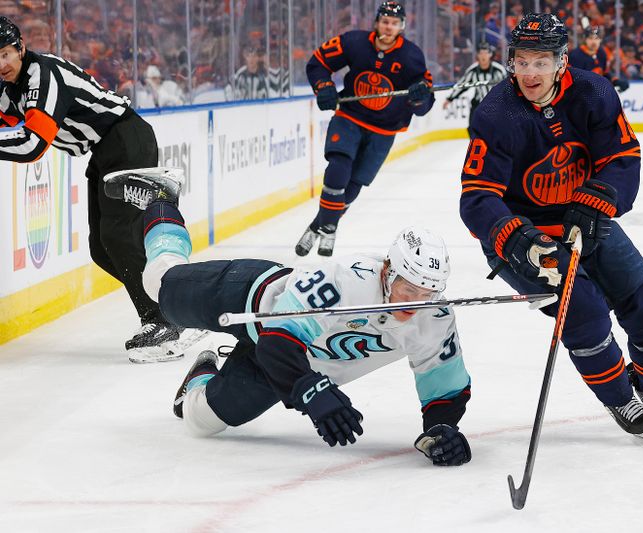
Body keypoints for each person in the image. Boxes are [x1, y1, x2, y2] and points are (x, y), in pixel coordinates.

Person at [103, 168, 472, 465]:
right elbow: (278, 340)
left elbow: (444, 386)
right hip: (251, 298)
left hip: (283, 366)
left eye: (429, 293)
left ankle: (203, 369)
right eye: (410, 288)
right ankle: (162, 197)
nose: (416, 301)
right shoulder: (348, 281)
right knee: (158, 282)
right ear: (388, 270)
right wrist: (313, 392)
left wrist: (441, 430)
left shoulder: (435, 318)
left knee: (198, 420)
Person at [458, 13, 643, 442]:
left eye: (541, 61)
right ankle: (620, 398)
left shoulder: (594, 92)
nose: (530, 73)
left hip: (586, 220)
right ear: (511, 62)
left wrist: (597, 200)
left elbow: (622, 157)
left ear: (561, 60)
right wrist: (520, 238)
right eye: (521, 61)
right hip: (527, 237)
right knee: (586, 314)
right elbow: (478, 196)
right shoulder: (496, 113)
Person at [0, 16, 196, 363]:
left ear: (21, 49)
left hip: (125, 139)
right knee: (102, 249)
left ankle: (163, 321)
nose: (1, 64)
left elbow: (33, 145)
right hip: (105, 149)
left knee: (119, 235)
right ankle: (184, 302)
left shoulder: (43, 74)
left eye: (5, 54)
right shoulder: (7, 88)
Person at [295, 1, 435, 257]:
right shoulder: (354, 42)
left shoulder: (411, 56)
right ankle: (329, 226)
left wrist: (419, 96)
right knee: (339, 165)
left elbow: (424, 105)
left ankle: (321, 225)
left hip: (384, 128)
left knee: (355, 184)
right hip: (350, 117)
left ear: (401, 26)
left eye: (394, 23)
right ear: (376, 22)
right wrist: (324, 86)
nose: (388, 27)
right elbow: (317, 62)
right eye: (384, 21)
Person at [443, 41, 506, 134]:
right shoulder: (472, 70)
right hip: (478, 105)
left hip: (496, 106)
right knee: (472, 129)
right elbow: (462, 85)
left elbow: (508, 87)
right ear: (477, 55)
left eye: (486, 53)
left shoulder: (499, 70)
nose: (483, 56)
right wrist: (450, 98)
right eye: (481, 53)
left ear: (490, 54)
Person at [567, 24, 629, 92]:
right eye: (590, 38)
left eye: (596, 38)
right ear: (585, 39)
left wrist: (615, 81)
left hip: (595, 92)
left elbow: (604, 73)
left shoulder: (601, 53)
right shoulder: (576, 55)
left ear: (600, 40)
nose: (593, 42)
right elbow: (572, 80)